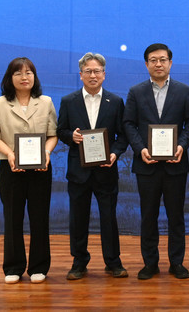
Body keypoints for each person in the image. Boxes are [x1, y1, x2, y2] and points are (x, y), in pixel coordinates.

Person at [123, 43, 189, 280]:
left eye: (163, 59)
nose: (158, 64)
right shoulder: (136, 91)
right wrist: (140, 149)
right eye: (153, 60)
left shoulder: (184, 91)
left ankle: (177, 263)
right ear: (146, 64)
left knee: (176, 216)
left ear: (170, 63)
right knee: (148, 216)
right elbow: (128, 124)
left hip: (175, 165)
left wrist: (182, 145)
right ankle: (150, 263)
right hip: (147, 165)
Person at [0, 57, 58, 284]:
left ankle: (39, 266)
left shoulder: (45, 102)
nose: (24, 77)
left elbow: (53, 134)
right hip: (11, 168)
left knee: (40, 217)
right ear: (10, 78)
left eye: (28, 73)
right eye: (18, 73)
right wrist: (10, 153)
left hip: (40, 169)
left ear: (34, 77)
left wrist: (46, 152)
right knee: (12, 218)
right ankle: (13, 267)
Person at [57, 53, 128, 280]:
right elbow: (60, 130)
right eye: (88, 71)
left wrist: (115, 153)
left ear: (104, 74)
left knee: (109, 218)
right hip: (78, 171)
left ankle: (113, 262)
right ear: (80, 75)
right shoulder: (69, 101)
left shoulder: (115, 102)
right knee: (78, 219)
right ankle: (79, 262)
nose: (93, 75)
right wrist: (71, 136)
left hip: (106, 170)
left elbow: (123, 135)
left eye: (97, 71)